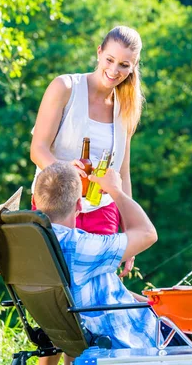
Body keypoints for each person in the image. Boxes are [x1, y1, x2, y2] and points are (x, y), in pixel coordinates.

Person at [33, 162, 192, 365]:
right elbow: (147, 233)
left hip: (122, 325)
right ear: (78, 206)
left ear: (36, 200)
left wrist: (158, 302)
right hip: (141, 339)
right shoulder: (78, 246)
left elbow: (101, 294)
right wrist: (116, 191)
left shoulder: (32, 246)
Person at [29, 25, 143, 241]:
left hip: (103, 213)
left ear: (133, 67)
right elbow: (37, 149)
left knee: (100, 276)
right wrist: (64, 171)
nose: (114, 70)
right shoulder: (65, 87)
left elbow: (123, 174)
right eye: (109, 60)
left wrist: (130, 232)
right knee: (53, 273)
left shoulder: (126, 108)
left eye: (124, 65)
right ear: (99, 52)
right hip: (55, 205)